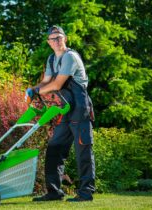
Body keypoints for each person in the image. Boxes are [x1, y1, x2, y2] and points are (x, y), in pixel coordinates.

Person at [26, 25, 95, 202]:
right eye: (53, 38)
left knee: (83, 150)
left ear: (65, 39)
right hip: (65, 109)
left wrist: (39, 92)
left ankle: (86, 193)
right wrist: (32, 90)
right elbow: (46, 82)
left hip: (80, 109)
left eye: (59, 37)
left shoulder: (70, 57)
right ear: (48, 42)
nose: (57, 41)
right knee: (55, 148)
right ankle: (54, 191)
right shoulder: (51, 59)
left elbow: (56, 85)